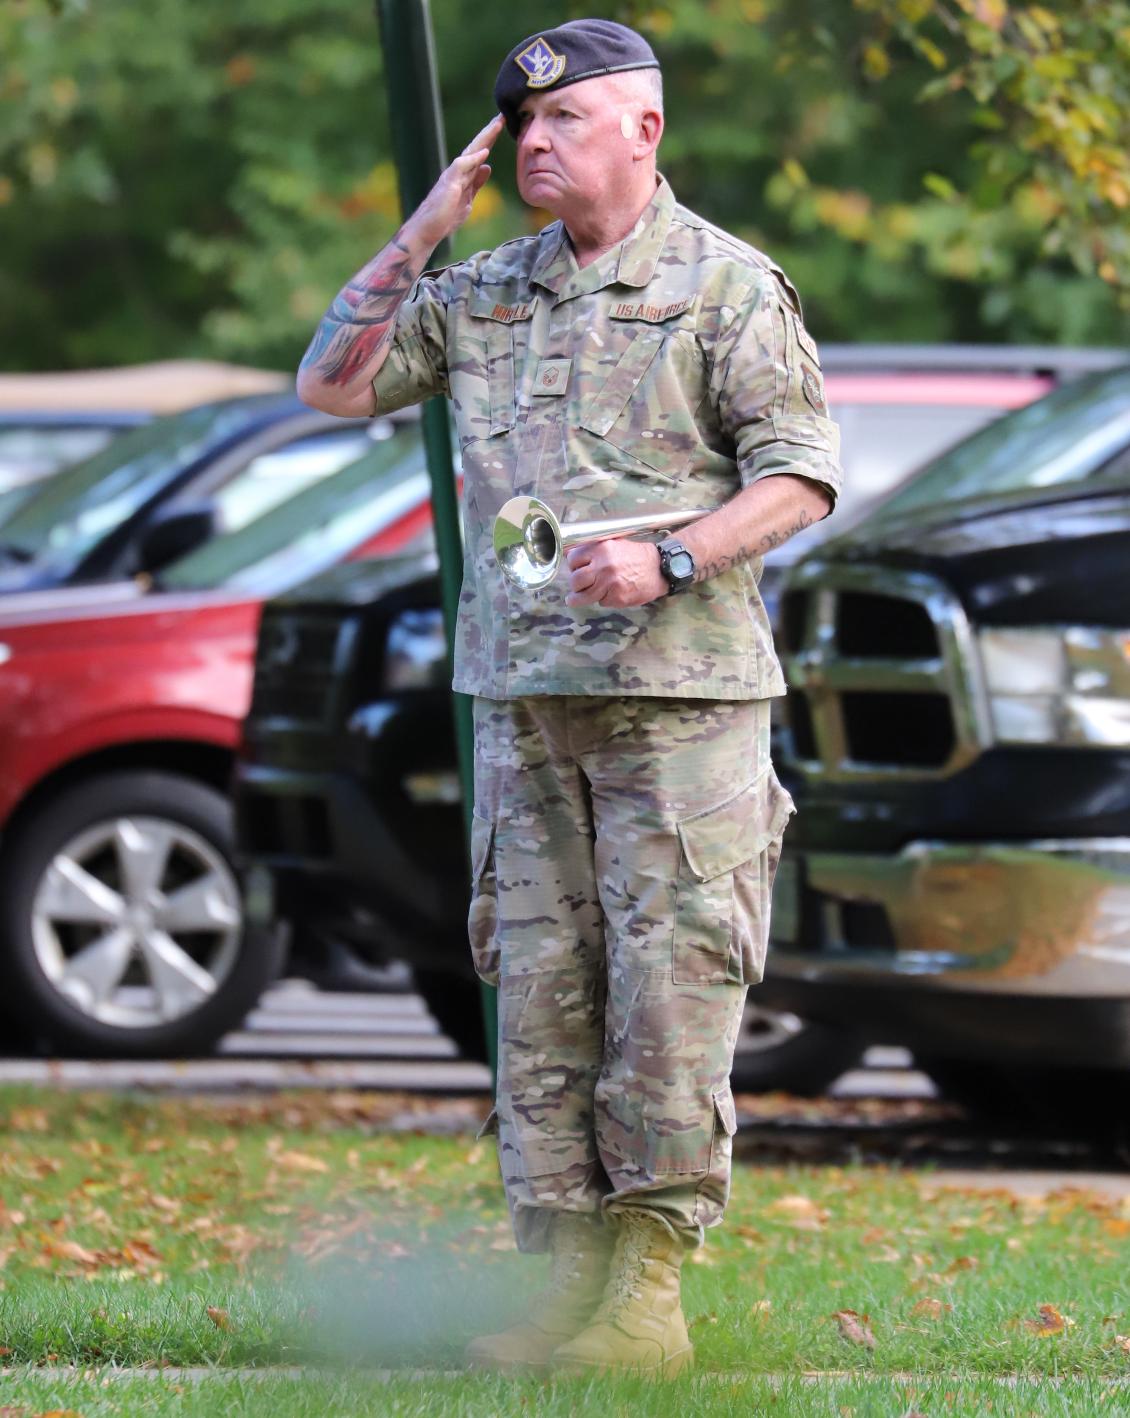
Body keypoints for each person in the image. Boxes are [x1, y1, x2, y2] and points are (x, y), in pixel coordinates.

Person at [297, 17, 841, 1379]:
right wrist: (423, 228)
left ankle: (648, 1292)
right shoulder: (482, 290)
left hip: (677, 699)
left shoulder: (725, 288)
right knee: (541, 985)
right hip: (523, 697)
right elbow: (331, 384)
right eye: (521, 126)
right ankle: (565, 1279)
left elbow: (799, 477)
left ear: (642, 130)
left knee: (672, 985)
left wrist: (672, 554)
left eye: (566, 121)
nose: (536, 142)